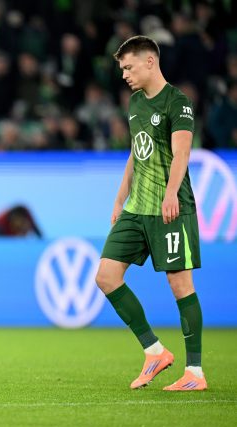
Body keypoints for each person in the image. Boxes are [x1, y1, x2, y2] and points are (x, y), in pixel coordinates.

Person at [95, 36, 206, 391]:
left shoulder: (178, 102)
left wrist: (172, 192)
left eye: (128, 67)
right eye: (122, 69)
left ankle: (195, 373)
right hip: (137, 208)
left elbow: (182, 153)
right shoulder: (136, 104)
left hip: (169, 208)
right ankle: (155, 350)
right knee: (106, 276)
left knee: (180, 284)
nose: (125, 74)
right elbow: (135, 153)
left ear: (149, 62)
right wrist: (119, 199)